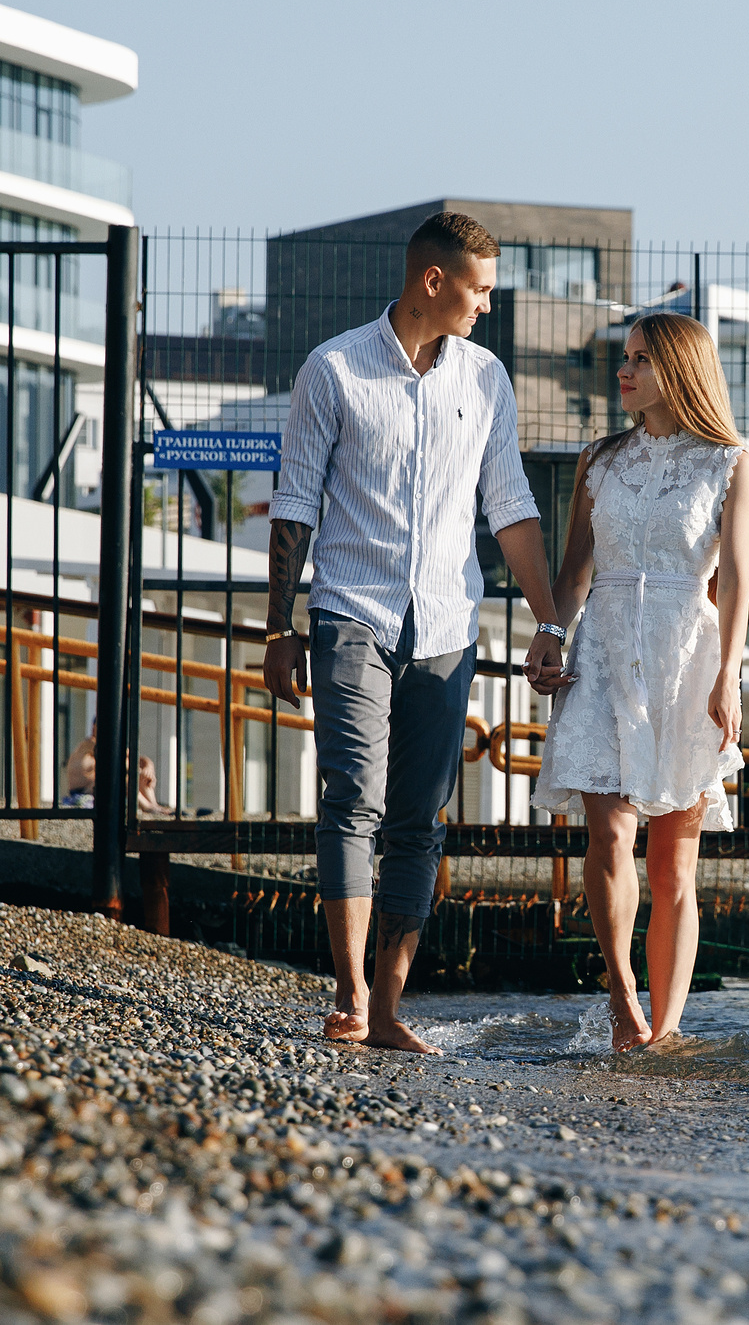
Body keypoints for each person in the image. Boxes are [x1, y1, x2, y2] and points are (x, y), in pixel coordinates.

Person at [264, 211, 566, 1053]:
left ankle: (391, 1004)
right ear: (434, 281)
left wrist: (550, 619)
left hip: (446, 622)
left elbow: (512, 510)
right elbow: (294, 504)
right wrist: (280, 626)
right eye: (479, 290)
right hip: (350, 610)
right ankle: (353, 993)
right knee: (352, 797)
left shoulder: (486, 379)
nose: (487, 307)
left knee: (421, 817)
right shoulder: (333, 369)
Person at [530, 312, 749, 1051]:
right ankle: (623, 991)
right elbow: (572, 574)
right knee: (611, 832)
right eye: (624, 358)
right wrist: (550, 632)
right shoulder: (598, 459)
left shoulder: (729, 462)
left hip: (686, 660)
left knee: (673, 862)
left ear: (681, 370)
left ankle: (665, 1029)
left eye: (640, 360)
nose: (623, 371)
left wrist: (729, 677)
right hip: (602, 652)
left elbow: (738, 586)